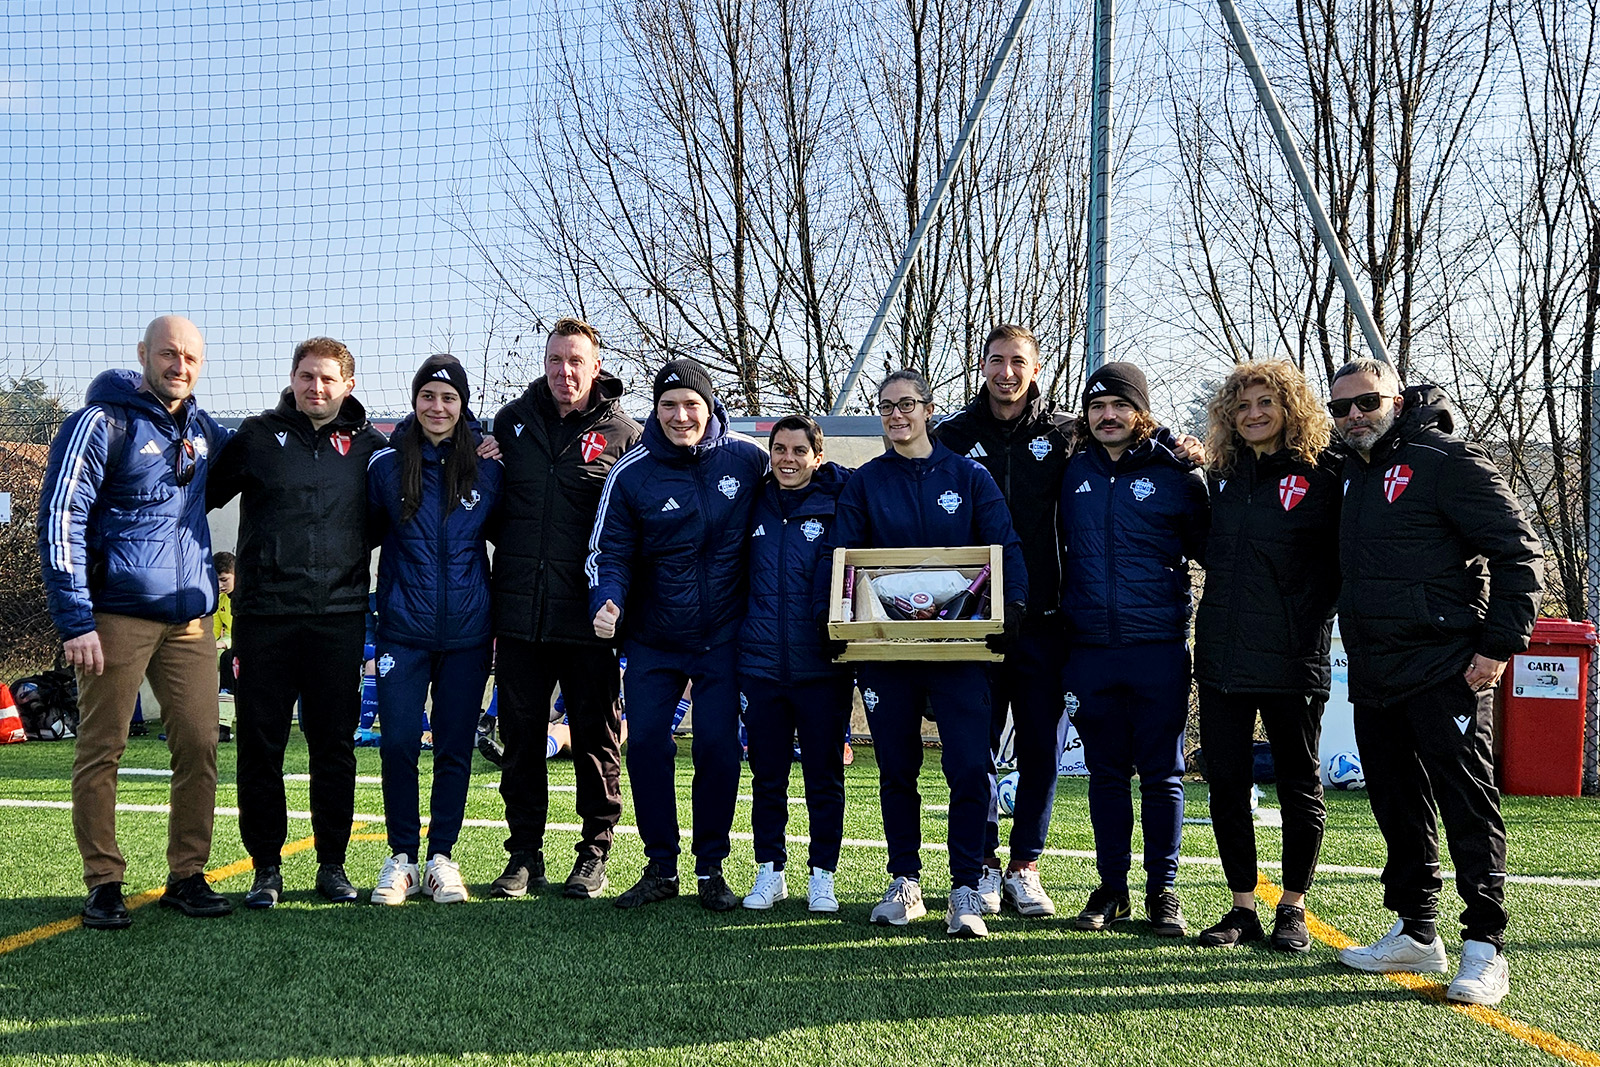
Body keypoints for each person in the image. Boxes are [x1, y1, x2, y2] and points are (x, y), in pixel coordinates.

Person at [1327, 357, 1542, 1006]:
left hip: (1443, 670)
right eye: (1341, 408)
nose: (1354, 416)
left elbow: (1517, 550)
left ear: (1397, 398)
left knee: (1467, 807)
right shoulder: (1350, 473)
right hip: (1374, 673)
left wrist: (1498, 649)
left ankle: (1485, 946)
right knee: (1398, 806)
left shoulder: (1445, 459)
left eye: (1366, 402)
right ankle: (1417, 929)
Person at [37, 314, 234, 927]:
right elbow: (61, 515)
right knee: (103, 748)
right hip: (114, 617)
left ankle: (187, 874)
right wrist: (75, 619)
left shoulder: (203, 430)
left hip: (191, 622)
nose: (180, 366)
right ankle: (103, 881)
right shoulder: (101, 422)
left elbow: (267, 452)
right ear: (143, 353)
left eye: (192, 358)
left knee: (201, 745)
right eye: (169, 354)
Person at [833, 369, 1027, 939]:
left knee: (969, 765)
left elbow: (1004, 545)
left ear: (928, 409)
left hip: (960, 650)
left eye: (907, 404)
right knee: (896, 768)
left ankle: (966, 885)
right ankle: (905, 882)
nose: (897, 415)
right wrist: (840, 621)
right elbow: (842, 558)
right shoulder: (866, 482)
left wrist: (1012, 604)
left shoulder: (969, 476)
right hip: (885, 651)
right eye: (887, 406)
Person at [205, 337, 388, 908]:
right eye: (307, 376)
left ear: (348, 386)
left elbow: (388, 516)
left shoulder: (369, 447)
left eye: (328, 379)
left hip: (338, 617)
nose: (316, 388)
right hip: (265, 619)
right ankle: (266, 867)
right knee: (262, 745)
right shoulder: (258, 437)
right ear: (292, 377)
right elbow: (202, 496)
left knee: (333, 744)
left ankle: (332, 866)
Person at [587, 356, 768, 910]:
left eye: (691, 404)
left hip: (723, 637)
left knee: (716, 747)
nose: (681, 415)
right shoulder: (632, 471)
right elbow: (607, 550)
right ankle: (660, 866)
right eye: (669, 405)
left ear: (709, 406)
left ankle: (711, 868)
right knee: (644, 746)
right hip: (653, 638)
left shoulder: (748, 459)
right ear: (656, 411)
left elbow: (798, 485)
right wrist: (607, 598)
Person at [488, 317, 641, 900]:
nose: (565, 372)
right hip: (521, 616)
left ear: (596, 367)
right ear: (545, 362)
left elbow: (630, 528)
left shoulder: (626, 435)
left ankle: (594, 854)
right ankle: (524, 856)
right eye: (556, 360)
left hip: (590, 622)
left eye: (576, 361)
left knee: (597, 739)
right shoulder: (511, 422)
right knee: (522, 739)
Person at [1058, 361, 1208, 938]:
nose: (1108, 416)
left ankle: (1162, 890)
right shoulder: (1069, 472)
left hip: (1158, 646)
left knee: (1163, 774)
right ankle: (1112, 888)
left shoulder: (1178, 473)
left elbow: (1217, 548)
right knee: (1105, 774)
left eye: (1119, 406)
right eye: (1096, 407)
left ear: (1141, 413)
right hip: (1089, 647)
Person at [1192, 361, 1339, 951]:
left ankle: (1294, 908)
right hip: (1224, 653)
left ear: (1289, 409)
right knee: (1226, 784)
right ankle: (1242, 908)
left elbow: (1339, 566)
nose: (1253, 414)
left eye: (1265, 403)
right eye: (1242, 406)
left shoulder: (1324, 474)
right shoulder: (1220, 476)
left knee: (1298, 781)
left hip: (1293, 656)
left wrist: (1303, 616)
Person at [935, 324, 1076, 919]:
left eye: (1019, 362)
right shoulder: (951, 437)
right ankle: (983, 866)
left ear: (1035, 368)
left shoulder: (1066, 434)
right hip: (973, 622)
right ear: (982, 367)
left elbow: (1134, 436)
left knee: (1040, 748)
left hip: (1044, 620)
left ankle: (1025, 867)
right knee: (973, 750)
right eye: (996, 361)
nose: (1007, 373)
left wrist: (1182, 444)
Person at [366, 354, 503, 905]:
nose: (438, 407)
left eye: (449, 398)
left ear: (463, 404)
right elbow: (362, 535)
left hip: (469, 633)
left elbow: (509, 539)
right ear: (415, 400)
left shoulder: (490, 467)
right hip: (402, 628)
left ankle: (441, 856)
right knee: (398, 742)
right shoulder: (384, 465)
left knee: (453, 747)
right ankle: (400, 858)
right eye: (428, 396)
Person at [736, 415, 853, 913]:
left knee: (824, 776)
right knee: (767, 775)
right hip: (759, 666)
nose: (787, 459)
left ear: (817, 457)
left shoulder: (838, 505)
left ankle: (822, 876)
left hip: (821, 668)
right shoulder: (753, 501)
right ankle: (770, 870)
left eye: (798, 451)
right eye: (779, 449)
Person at [213, 551, 235, 693]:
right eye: (216, 581)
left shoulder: (246, 598)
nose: (220, 585)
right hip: (225, 645)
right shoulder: (220, 600)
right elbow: (214, 630)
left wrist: (225, 643)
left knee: (228, 658)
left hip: (242, 645)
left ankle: (226, 695)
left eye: (224, 579)